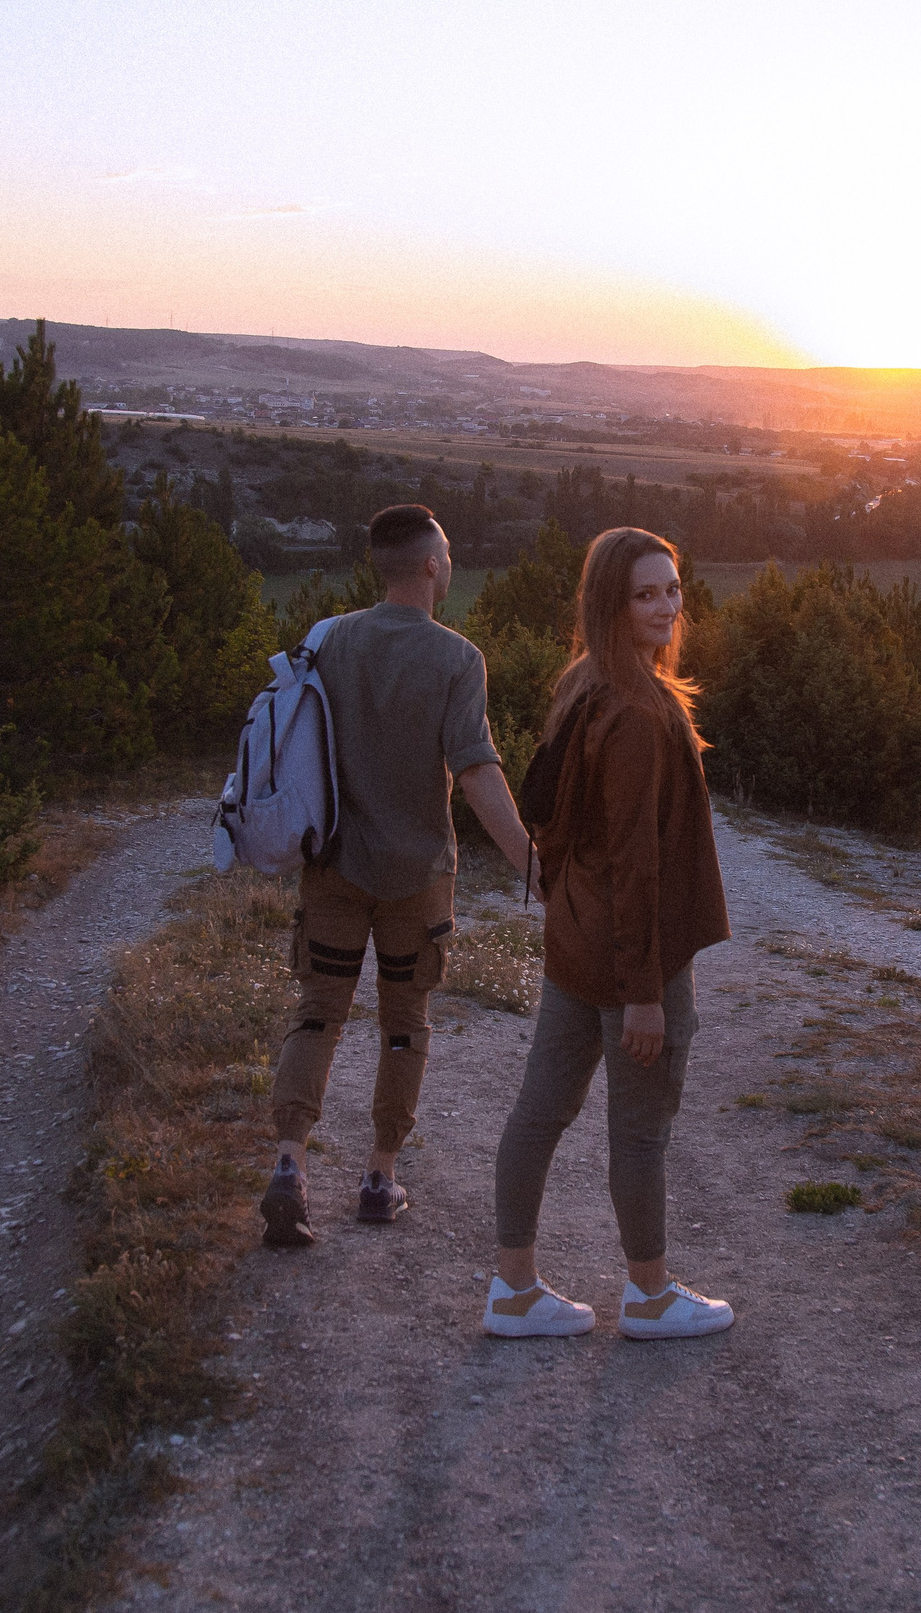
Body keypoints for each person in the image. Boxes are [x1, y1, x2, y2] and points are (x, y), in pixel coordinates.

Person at [259, 504, 536, 1248]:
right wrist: (530, 862)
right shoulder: (457, 658)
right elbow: (476, 770)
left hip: (334, 865)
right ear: (430, 567)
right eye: (444, 559)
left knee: (318, 1011)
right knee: (405, 1026)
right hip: (418, 875)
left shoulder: (330, 640)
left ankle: (289, 1163)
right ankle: (380, 1176)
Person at [485, 527, 733, 1339]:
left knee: (539, 1112)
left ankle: (514, 1290)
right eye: (646, 593)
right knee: (639, 1131)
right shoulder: (633, 712)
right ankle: (650, 1296)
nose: (667, 606)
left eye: (673, 589)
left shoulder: (584, 687)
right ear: (611, 605)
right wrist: (644, 998)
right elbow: (636, 862)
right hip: (632, 960)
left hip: (575, 943)